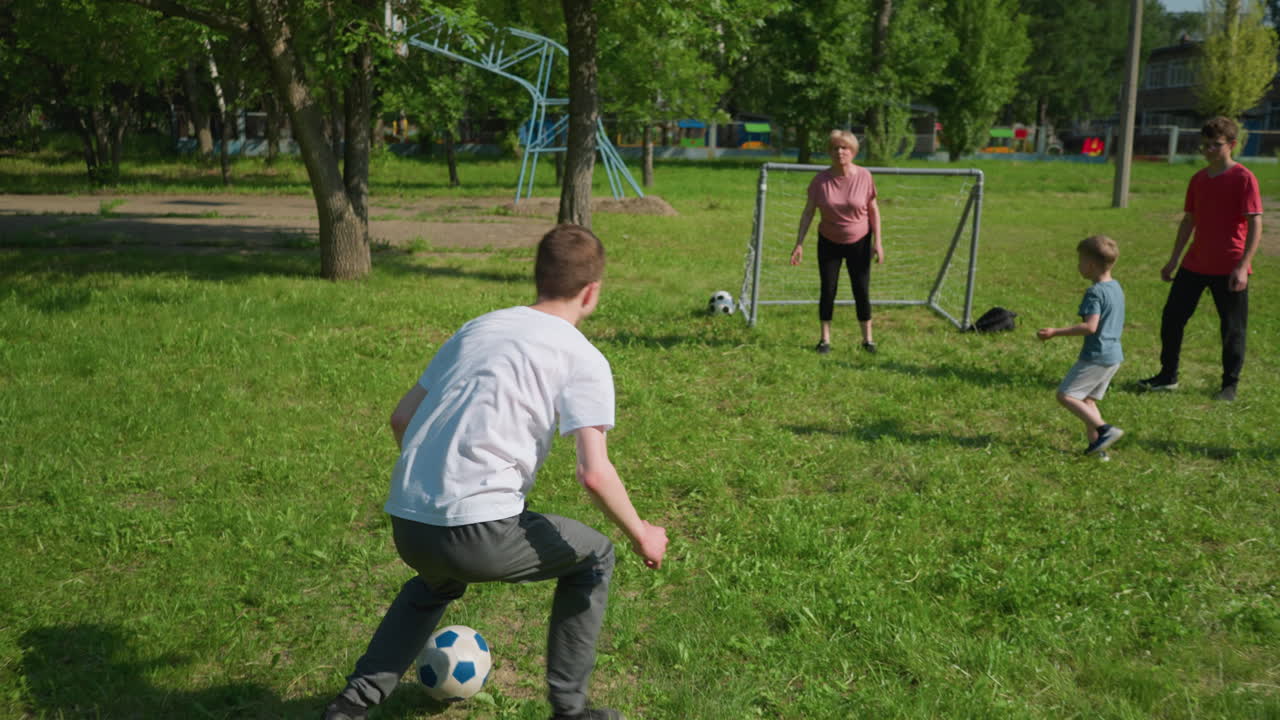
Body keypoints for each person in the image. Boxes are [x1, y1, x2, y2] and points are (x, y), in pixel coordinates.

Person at [322, 224, 669, 720]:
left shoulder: (478, 328)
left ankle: (351, 705)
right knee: (595, 556)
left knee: (435, 583)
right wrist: (643, 534)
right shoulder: (582, 356)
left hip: (409, 520)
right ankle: (571, 710)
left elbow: (401, 418)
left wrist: (437, 486)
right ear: (591, 292)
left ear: (538, 277)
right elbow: (594, 474)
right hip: (478, 532)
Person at [1138, 116, 1262, 402]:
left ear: (1232, 145)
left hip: (1229, 265)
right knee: (1172, 318)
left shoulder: (1244, 178)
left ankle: (1229, 386)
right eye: (1205, 145)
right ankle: (1168, 376)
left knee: (1232, 329)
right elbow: (1189, 221)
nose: (1208, 150)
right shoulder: (1198, 179)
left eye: (1215, 145)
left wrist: (1243, 266)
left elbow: (1255, 223)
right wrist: (1173, 260)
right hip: (1194, 263)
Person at [790, 129, 884, 354]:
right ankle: (825, 340)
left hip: (860, 241)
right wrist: (799, 243)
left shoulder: (865, 176)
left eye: (844, 148)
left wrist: (878, 242)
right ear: (829, 152)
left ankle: (868, 340)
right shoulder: (820, 181)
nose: (840, 152)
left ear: (853, 151)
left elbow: (873, 210)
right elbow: (808, 212)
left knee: (861, 289)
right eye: (835, 148)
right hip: (829, 242)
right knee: (828, 290)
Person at [1037, 235, 1127, 459]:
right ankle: (1098, 450)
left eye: (1080, 261)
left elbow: (1090, 327)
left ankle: (1105, 430)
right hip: (1113, 356)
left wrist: (1055, 332)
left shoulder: (1095, 292)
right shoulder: (1116, 287)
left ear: (1090, 265)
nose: (1078, 265)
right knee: (1087, 401)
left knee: (1065, 395)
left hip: (1096, 356)